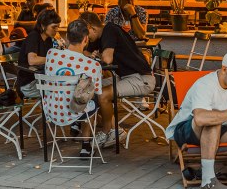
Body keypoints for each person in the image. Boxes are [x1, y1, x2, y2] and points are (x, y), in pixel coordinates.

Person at [164, 51, 227, 189]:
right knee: (213, 121)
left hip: (215, 131)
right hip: (185, 130)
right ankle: (208, 181)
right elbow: (200, 119)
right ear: (224, 69)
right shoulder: (205, 84)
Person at [79, 11, 153, 146]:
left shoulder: (110, 30)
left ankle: (107, 131)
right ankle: (115, 130)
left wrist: (98, 56)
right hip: (125, 77)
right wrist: (93, 54)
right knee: (91, 89)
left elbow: (107, 59)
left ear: (91, 28)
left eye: (86, 34)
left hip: (141, 79)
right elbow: (85, 52)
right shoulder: (99, 36)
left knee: (103, 94)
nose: (85, 38)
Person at [44, 19, 105, 157]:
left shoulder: (51, 55)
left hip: (53, 108)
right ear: (85, 39)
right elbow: (98, 91)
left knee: (78, 95)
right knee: (91, 97)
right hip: (77, 110)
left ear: (67, 38)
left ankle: (73, 128)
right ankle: (85, 145)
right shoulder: (92, 65)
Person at [18, 9, 61, 99]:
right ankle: (50, 112)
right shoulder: (34, 37)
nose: (56, 30)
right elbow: (32, 60)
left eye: (58, 27)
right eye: (54, 27)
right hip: (28, 85)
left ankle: (50, 112)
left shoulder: (49, 39)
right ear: (43, 25)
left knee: (64, 86)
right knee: (61, 90)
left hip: (40, 79)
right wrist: (54, 59)